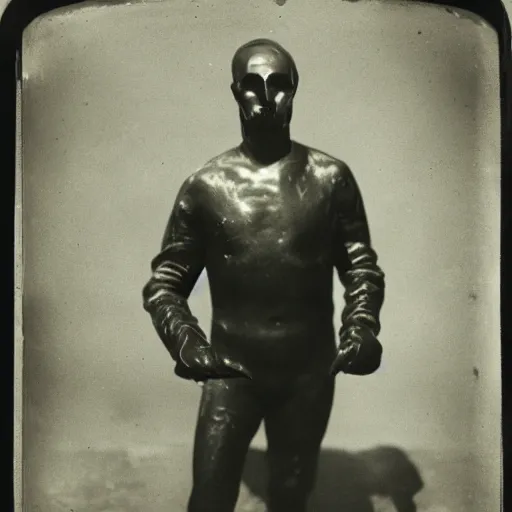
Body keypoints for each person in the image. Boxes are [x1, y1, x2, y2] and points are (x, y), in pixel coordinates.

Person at [142, 38, 386, 512]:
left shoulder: (331, 178)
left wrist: (362, 328)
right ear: (235, 93)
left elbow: (360, 265)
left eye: (279, 85)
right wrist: (186, 341)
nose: (266, 97)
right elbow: (165, 283)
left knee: (292, 495)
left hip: (308, 374)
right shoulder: (206, 186)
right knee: (211, 497)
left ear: (295, 90)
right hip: (233, 374)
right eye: (252, 86)